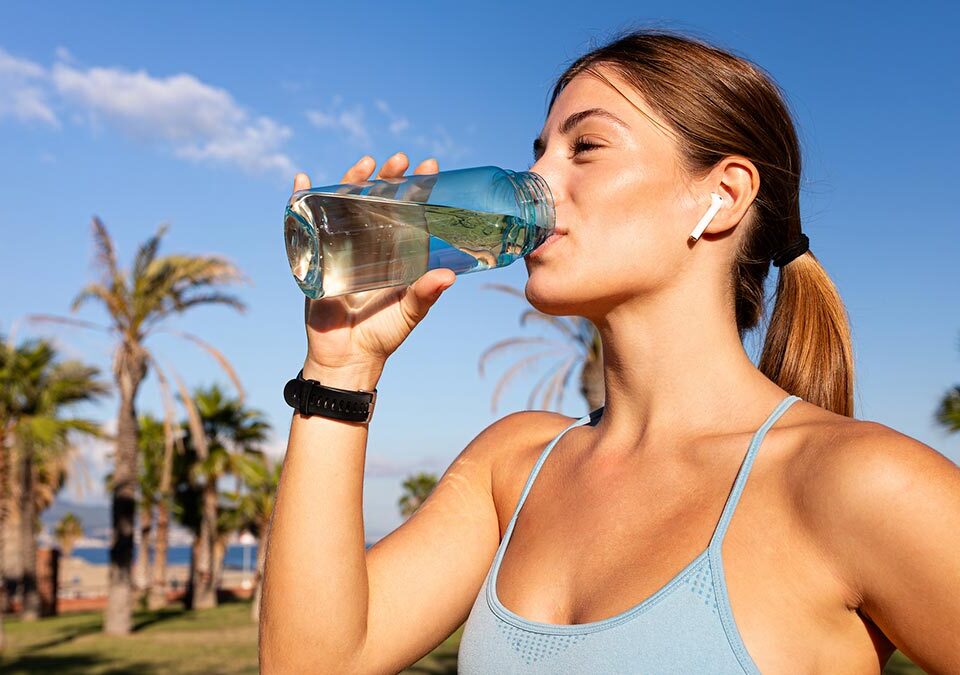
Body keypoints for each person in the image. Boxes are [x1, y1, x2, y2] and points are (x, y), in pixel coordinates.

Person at [259, 29, 960, 674]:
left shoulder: (856, 481)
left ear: (722, 194)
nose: (538, 181)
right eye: (538, 151)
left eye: (584, 148)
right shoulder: (513, 468)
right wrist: (339, 368)